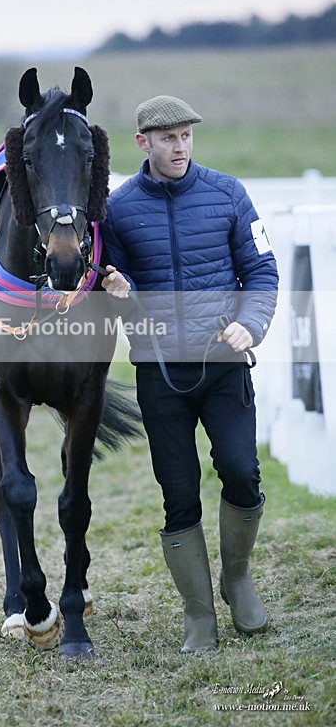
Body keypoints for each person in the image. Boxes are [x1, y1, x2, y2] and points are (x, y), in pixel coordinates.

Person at [100, 95, 279, 652]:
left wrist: (250, 324)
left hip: (224, 365)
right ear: (143, 144)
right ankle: (199, 614)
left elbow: (262, 269)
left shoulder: (228, 194)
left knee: (241, 473)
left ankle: (238, 578)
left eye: (186, 137)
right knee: (178, 495)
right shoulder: (119, 209)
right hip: (159, 375)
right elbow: (113, 299)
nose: (180, 148)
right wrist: (120, 295)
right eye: (168, 138)